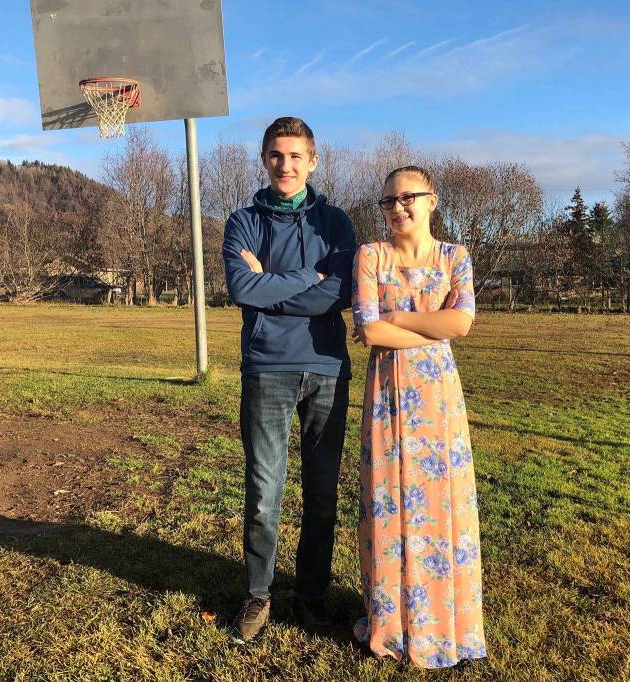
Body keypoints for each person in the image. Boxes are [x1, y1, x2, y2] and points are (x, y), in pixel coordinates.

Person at [222, 117, 356, 641]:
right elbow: (242, 289)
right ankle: (258, 595)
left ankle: (311, 596)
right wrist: (307, 277)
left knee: (322, 493)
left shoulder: (336, 223)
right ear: (264, 159)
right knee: (263, 492)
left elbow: (340, 293)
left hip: (327, 368)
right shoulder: (242, 222)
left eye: (296, 155)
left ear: (313, 161)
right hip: (267, 367)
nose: (286, 165)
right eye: (277, 155)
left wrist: (271, 285)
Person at [351, 166, 487, 668]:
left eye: (409, 197)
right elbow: (370, 332)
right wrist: (429, 328)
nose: (398, 207)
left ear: (432, 201)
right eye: (389, 200)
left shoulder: (455, 257)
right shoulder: (371, 256)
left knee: (441, 504)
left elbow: (462, 322)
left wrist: (398, 318)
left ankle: (442, 626)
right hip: (387, 396)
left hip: (438, 401)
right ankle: (393, 627)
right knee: (389, 504)